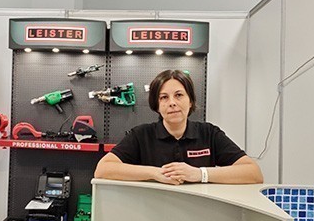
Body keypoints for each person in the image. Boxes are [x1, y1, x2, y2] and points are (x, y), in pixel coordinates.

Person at [94, 69, 263, 185]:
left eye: (179, 95)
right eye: (164, 97)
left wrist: (200, 174)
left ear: (190, 101)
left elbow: (253, 173)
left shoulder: (209, 134)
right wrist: (155, 173)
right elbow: (102, 169)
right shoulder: (141, 135)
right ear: (157, 105)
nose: (172, 103)